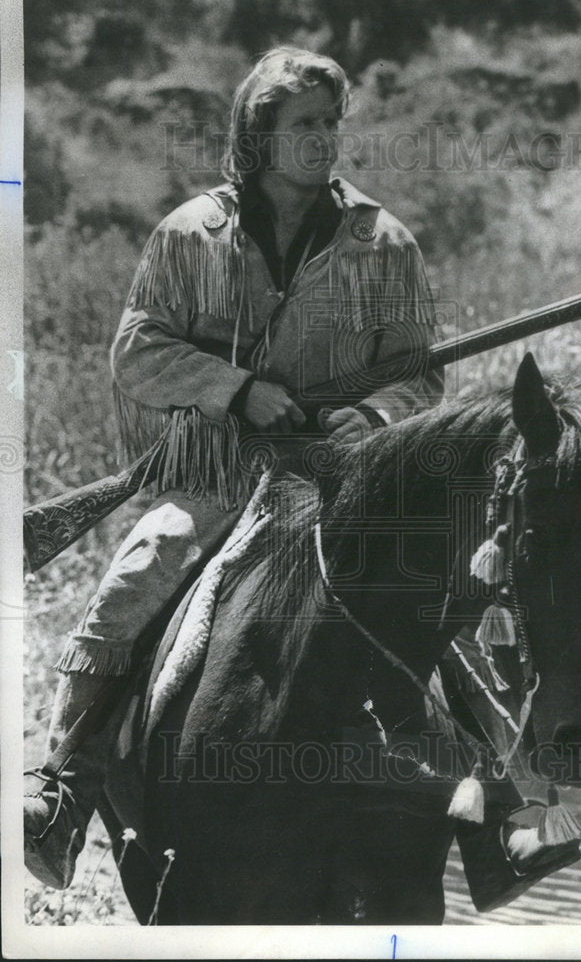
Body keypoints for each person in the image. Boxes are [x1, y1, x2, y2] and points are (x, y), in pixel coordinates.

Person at [24, 46, 443, 889]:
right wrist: (236, 390)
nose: (323, 140)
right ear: (259, 133)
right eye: (304, 125)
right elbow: (137, 350)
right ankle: (65, 786)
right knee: (134, 579)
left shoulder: (384, 243)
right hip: (214, 477)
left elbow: (422, 376)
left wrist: (362, 418)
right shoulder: (188, 234)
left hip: (336, 486)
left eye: (332, 124)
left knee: (445, 608)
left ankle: (504, 812)